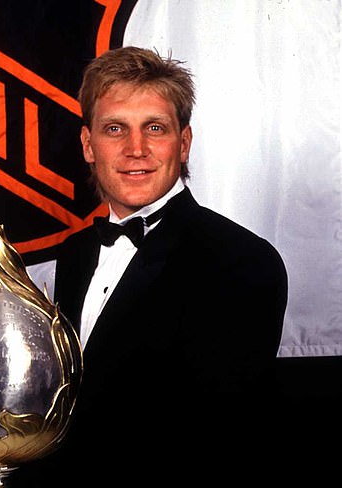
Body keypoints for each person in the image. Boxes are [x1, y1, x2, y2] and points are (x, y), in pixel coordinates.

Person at [32, 46, 289, 482]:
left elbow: (218, 435)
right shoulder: (74, 255)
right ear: (88, 145)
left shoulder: (242, 259)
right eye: (115, 128)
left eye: (155, 128)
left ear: (183, 143)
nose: (137, 149)